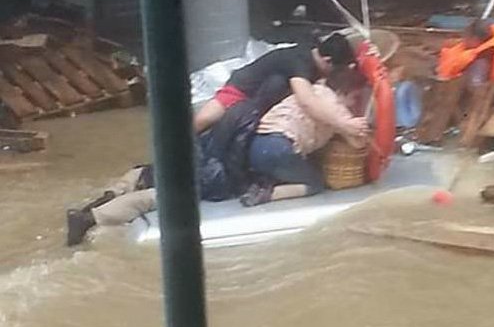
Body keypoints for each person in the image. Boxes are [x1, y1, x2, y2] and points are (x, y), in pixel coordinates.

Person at [65, 68, 369, 246]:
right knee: (161, 197)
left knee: (146, 172)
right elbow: (233, 157)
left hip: (191, 150)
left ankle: (102, 199)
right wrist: (236, 185)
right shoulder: (250, 116)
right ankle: (90, 218)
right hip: (210, 167)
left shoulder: (236, 108)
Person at [193, 33, 366, 143]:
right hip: (242, 89)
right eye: (335, 69)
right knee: (204, 120)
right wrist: (343, 124)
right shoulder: (300, 62)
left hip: (262, 102)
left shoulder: (315, 55)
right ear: (327, 60)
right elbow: (307, 102)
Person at [240, 67, 368, 206]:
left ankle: (260, 185)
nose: (355, 103)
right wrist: (360, 127)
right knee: (315, 183)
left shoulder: (312, 91)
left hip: (257, 145)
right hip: (281, 148)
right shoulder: (336, 108)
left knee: (286, 172)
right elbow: (357, 143)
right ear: (341, 92)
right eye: (355, 97)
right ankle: (269, 194)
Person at [436, 19, 494, 83]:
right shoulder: (469, 50)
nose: (463, 40)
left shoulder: (480, 61)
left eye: (465, 37)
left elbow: (474, 86)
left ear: (475, 39)